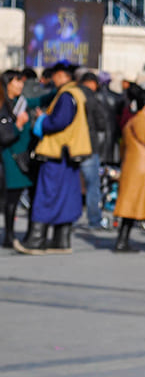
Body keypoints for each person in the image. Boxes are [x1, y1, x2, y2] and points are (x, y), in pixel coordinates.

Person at [14, 62, 91, 255]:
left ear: (62, 76)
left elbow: (59, 122)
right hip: (69, 153)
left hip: (57, 152)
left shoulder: (66, 96)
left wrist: (42, 119)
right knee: (66, 196)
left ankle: (36, 240)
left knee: (46, 195)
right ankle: (61, 241)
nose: (53, 78)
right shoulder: (77, 94)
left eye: (55, 75)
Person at [113, 90, 145, 253]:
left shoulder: (130, 122)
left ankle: (122, 240)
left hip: (130, 168)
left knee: (129, 207)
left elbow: (123, 147)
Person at [1, 70, 34, 248]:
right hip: (9, 156)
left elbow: (41, 100)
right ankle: (9, 236)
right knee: (11, 198)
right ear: (7, 84)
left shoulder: (21, 103)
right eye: (16, 82)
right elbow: (4, 136)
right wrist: (18, 126)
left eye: (21, 82)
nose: (20, 85)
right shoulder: (3, 105)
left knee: (14, 198)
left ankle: (11, 235)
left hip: (21, 156)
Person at [76, 71, 111, 230]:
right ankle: (94, 219)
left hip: (72, 146)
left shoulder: (71, 95)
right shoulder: (92, 98)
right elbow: (102, 123)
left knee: (72, 184)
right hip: (89, 146)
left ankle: (70, 218)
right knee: (92, 186)